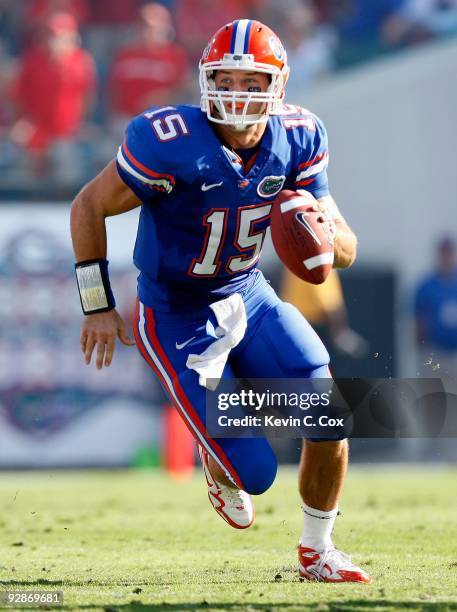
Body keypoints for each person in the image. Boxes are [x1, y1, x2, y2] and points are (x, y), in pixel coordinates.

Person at [71, 19, 371, 583]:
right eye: (225, 79)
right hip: (177, 311)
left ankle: (317, 550)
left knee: (331, 414)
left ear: (277, 86)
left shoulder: (300, 136)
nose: (237, 93)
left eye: (252, 82)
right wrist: (96, 304)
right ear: (205, 81)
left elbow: (346, 247)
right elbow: (88, 206)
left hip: (248, 293)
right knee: (254, 475)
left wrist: (325, 235)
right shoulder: (169, 141)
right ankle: (219, 457)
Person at [414, 236, 457, 377]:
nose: (446, 257)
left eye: (449, 253)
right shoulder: (427, 285)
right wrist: (423, 351)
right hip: (434, 352)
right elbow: (418, 319)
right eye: (443, 253)